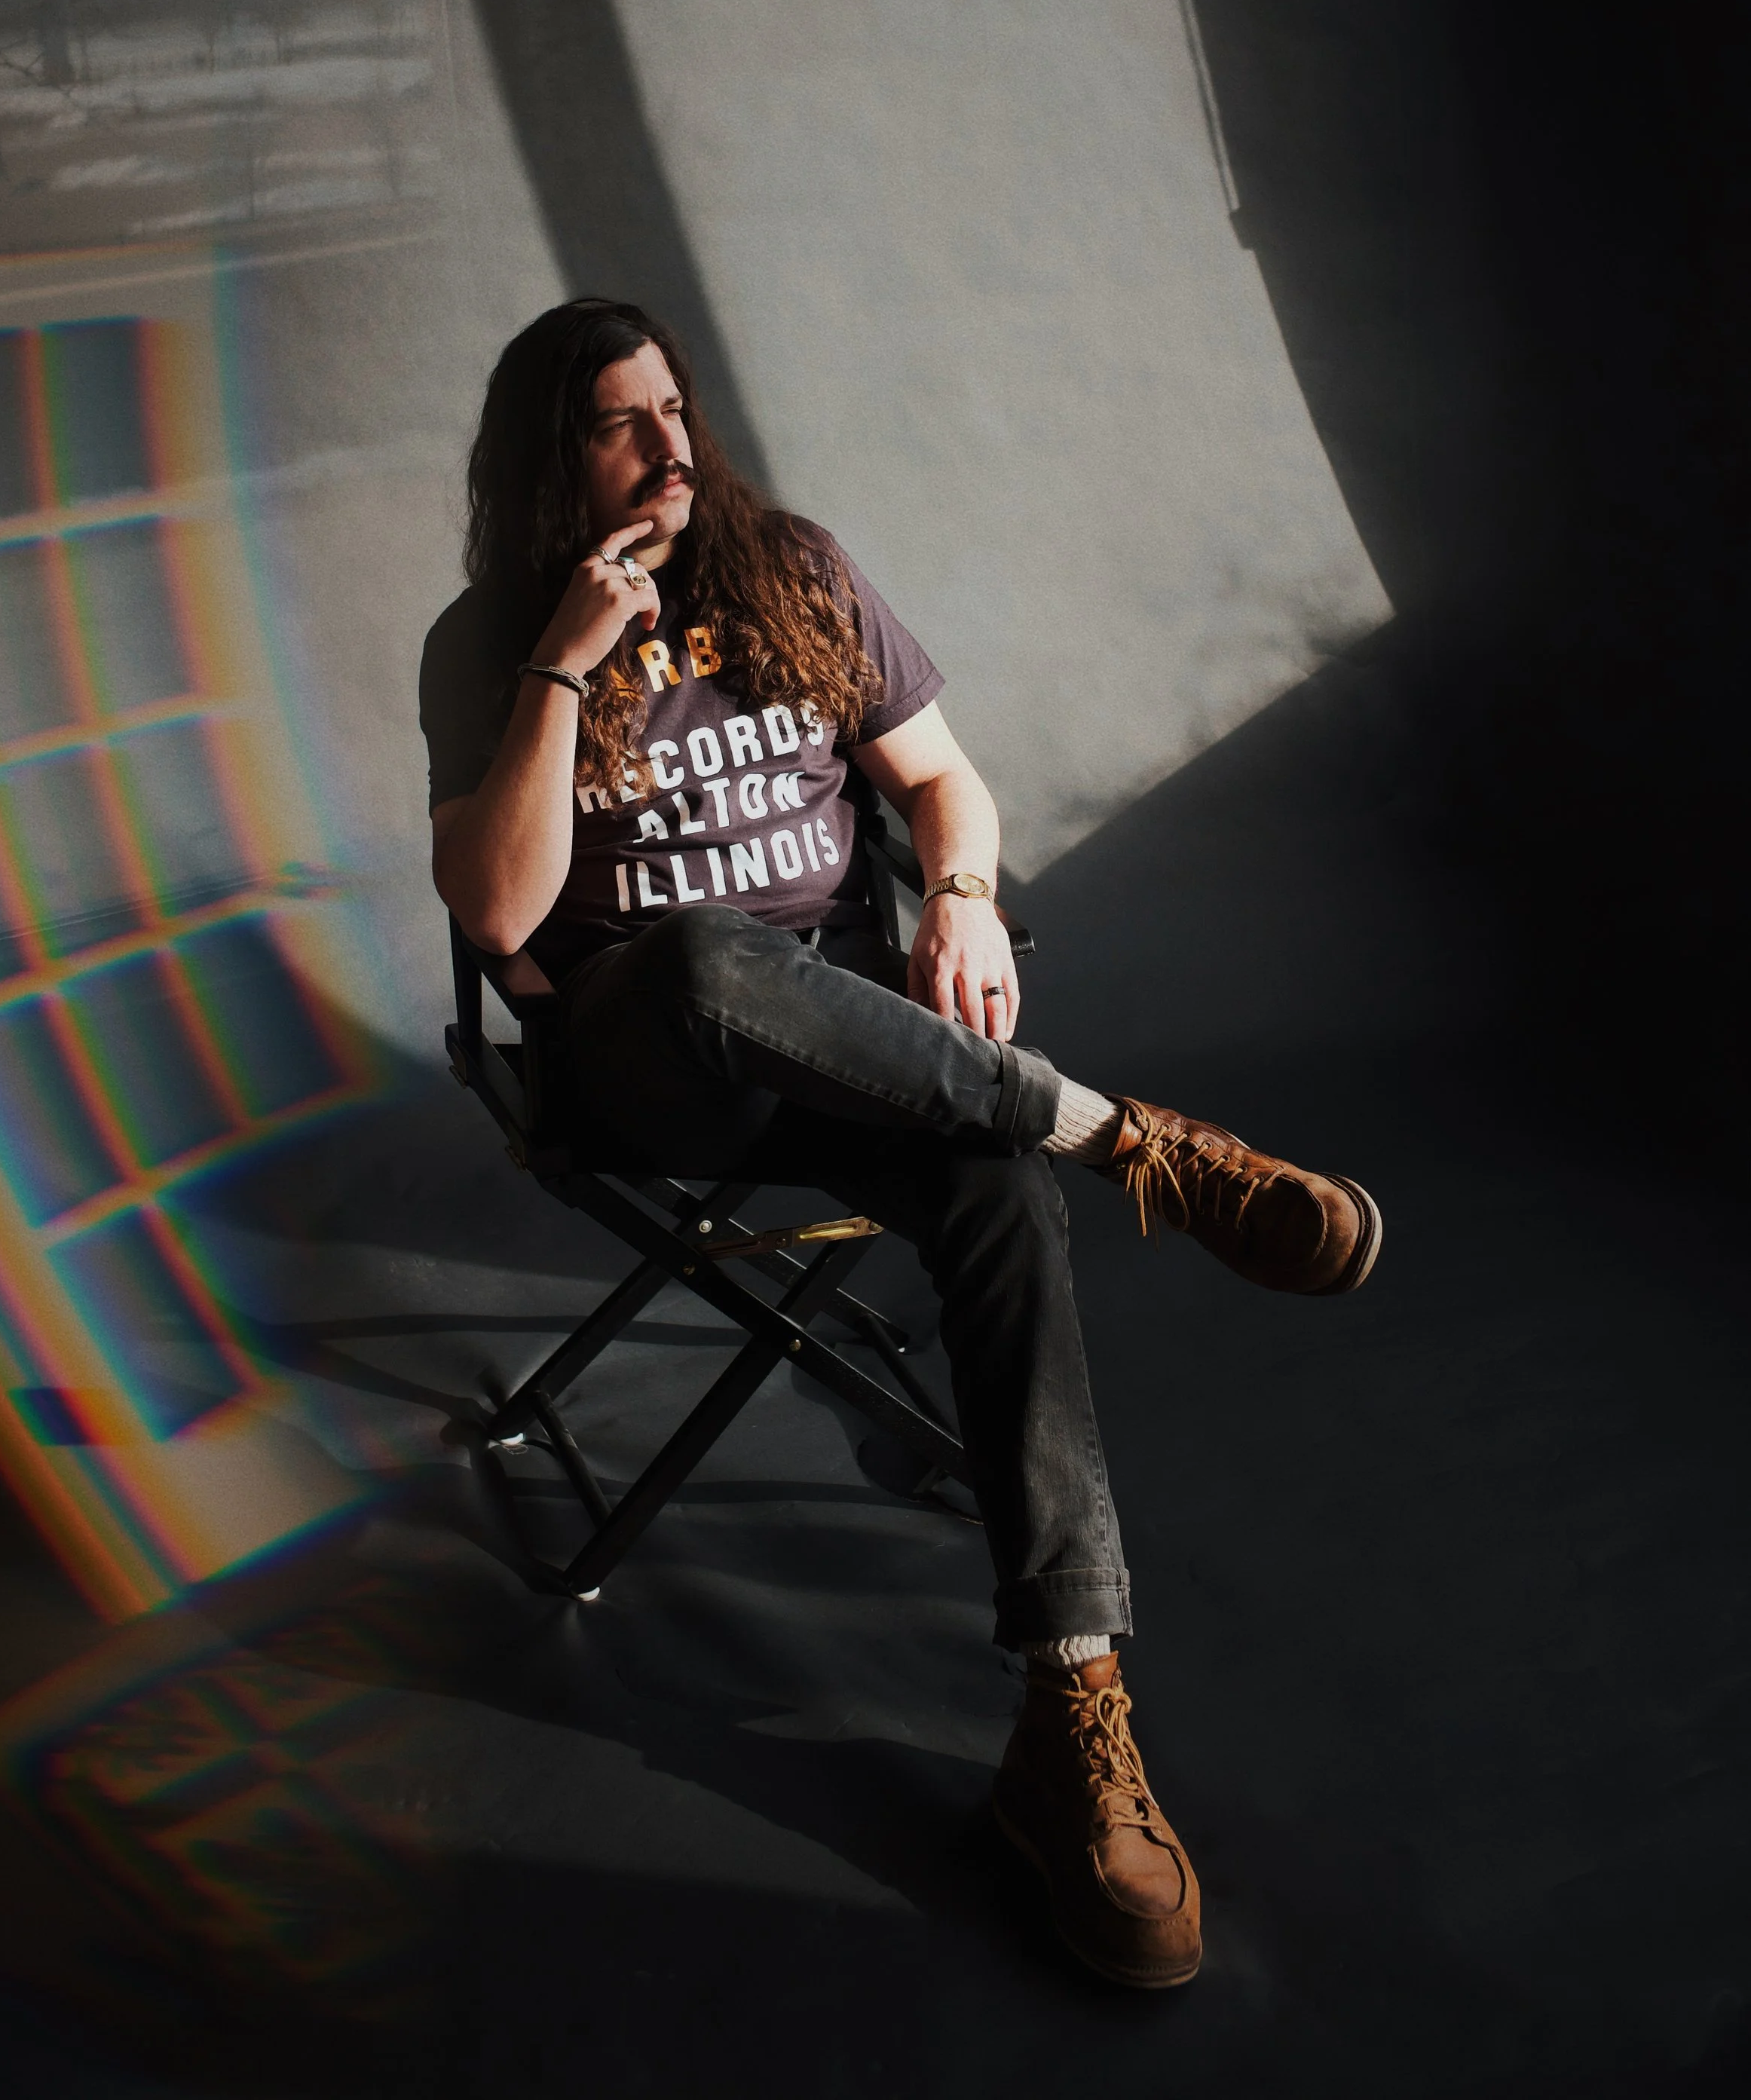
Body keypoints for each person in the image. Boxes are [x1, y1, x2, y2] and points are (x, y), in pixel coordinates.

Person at [421, 296, 1382, 1991]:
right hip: (641, 1064)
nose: (666, 452)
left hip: (849, 1032)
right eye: (616, 427)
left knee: (993, 1187)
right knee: (716, 960)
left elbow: (943, 783)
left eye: (672, 411)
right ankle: (1134, 1140)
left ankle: (1068, 1718)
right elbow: (496, 915)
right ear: (544, 461)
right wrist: (563, 659)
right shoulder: (488, 633)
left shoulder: (786, 564)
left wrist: (955, 897)